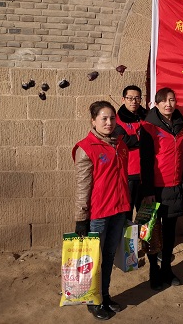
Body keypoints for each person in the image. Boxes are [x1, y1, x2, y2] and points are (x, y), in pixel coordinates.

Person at [73, 101, 131, 320]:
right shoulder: (86, 148)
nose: (109, 123)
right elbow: (83, 187)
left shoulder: (120, 145)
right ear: (93, 121)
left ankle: (104, 295)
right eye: (104, 118)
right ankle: (93, 301)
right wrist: (81, 218)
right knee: (94, 259)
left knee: (108, 256)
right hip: (98, 215)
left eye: (112, 118)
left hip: (118, 210)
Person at [140, 87, 183, 290]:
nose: (168, 104)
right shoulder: (148, 127)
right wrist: (148, 191)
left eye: (172, 100)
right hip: (154, 189)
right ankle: (154, 270)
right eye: (164, 101)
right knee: (151, 232)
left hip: (174, 187)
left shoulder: (180, 125)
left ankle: (167, 269)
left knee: (169, 233)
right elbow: (145, 161)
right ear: (156, 104)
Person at [116, 85, 147, 220]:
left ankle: (144, 234)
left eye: (137, 98)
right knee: (126, 212)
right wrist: (142, 138)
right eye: (130, 98)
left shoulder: (146, 116)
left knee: (145, 212)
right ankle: (127, 234)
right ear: (123, 99)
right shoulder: (117, 119)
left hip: (146, 172)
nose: (133, 101)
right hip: (129, 173)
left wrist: (137, 138)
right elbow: (125, 141)